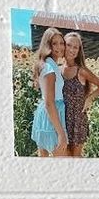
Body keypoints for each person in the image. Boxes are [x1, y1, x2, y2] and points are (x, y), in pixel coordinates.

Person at [62, 32, 99, 158]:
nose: (72, 50)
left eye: (76, 47)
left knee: (76, 157)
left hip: (77, 119)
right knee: (64, 157)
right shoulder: (57, 69)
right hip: (61, 117)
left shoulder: (81, 71)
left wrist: (89, 98)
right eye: (69, 45)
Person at [31, 28, 68, 157]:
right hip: (52, 113)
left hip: (46, 114)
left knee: (44, 160)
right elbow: (49, 103)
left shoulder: (48, 65)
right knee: (60, 158)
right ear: (47, 45)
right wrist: (61, 134)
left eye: (61, 43)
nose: (60, 47)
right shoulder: (49, 68)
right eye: (54, 43)